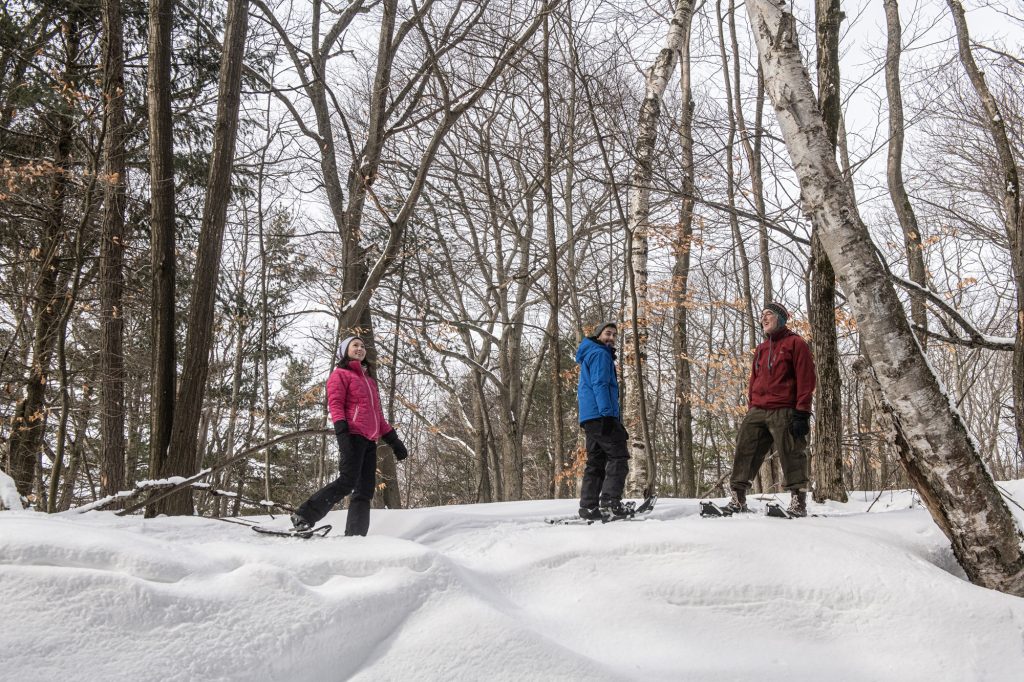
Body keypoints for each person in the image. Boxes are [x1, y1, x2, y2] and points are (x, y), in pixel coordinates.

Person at [291, 336, 409, 536]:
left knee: (364, 491)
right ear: (344, 351)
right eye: (355, 345)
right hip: (352, 435)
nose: (360, 348)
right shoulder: (340, 375)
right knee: (347, 481)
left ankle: (356, 535)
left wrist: (394, 441)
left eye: (363, 346)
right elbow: (335, 405)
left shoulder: (369, 381)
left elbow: (378, 416)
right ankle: (304, 515)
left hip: (370, 440)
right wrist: (342, 433)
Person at [726, 302, 816, 517]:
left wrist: (802, 412)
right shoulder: (761, 348)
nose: (764, 319)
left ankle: (798, 502)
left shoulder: (796, 343)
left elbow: (806, 379)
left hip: (785, 409)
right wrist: (751, 406)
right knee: (745, 450)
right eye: (762, 315)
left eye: (769, 315)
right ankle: (738, 498)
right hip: (757, 409)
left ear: (782, 319)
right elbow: (753, 380)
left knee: (792, 453)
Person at [575, 321, 631, 520]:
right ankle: (610, 502)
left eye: (615, 335)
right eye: (608, 333)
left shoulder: (591, 353)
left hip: (590, 416)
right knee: (619, 456)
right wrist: (608, 415)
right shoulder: (599, 354)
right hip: (600, 415)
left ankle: (589, 507)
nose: (611, 338)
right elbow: (600, 384)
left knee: (596, 461)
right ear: (598, 335)